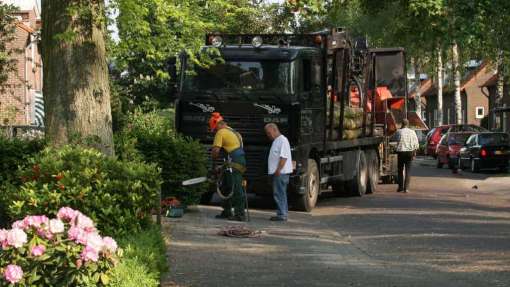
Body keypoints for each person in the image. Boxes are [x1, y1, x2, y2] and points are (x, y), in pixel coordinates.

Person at [209, 112, 247, 221]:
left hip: (234, 162)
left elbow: (215, 151)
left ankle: (240, 214)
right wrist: (222, 167)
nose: (215, 131)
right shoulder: (235, 132)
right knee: (226, 186)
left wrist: (214, 162)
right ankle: (227, 211)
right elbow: (231, 151)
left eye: (215, 129)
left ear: (218, 125)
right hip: (236, 161)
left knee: (235, 187)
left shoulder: (221, 132)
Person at [264, 123, 293, 221]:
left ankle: (282, 214)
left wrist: (278, 170)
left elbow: (283, 157)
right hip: (278, 172)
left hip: (281, 173)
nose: (268, 135)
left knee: (279, 193)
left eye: (269, 133)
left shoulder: (282, 140)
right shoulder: (276, 141)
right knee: (280, 193)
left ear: (275, 130)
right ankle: (282, 213)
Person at [395, 119, 419, 193]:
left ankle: (400, 187)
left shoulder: (398, 132)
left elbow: (394, 140)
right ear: (408, 124)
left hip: (401, 152)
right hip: (409, 152)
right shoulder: (412, 132)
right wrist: (414, 152)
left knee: (400, 170)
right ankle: (406, 188)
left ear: (402, 124)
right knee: (408, 170)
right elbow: (416, 144)